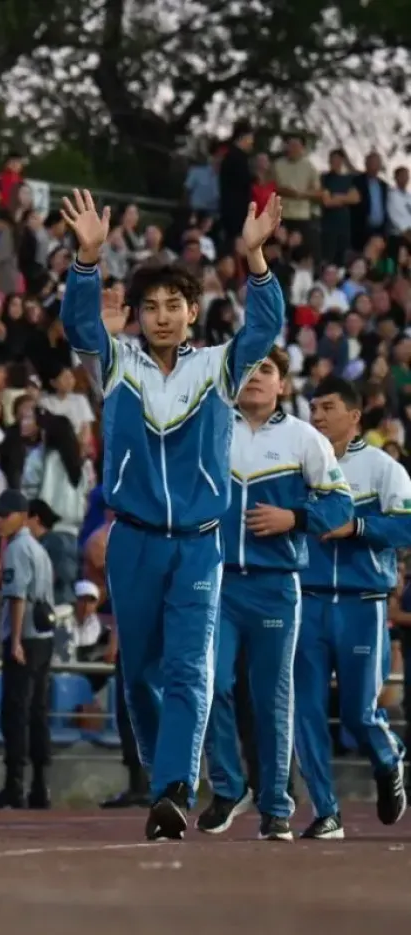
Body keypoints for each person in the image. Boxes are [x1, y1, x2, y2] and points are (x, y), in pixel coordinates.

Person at [58, 189, 284, 841]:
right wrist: (87, 258)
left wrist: (256, 256)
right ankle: (168, 773)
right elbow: (79, 327)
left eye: (173, 306)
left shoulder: (219, 367)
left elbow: (264, 328)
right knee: (140, 677)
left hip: (197, 545)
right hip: (132, 545)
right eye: (150, 307)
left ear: (191, 313)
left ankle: (174, 790)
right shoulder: (115, 365)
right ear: (135, 316)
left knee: (190, 669)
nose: (162, 316)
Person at [197, 348, 351, 841]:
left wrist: (296, 519)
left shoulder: (304, 439)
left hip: (275, 586)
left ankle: (276, 805)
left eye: (266, 370)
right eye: (248, 369)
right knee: (210, 683)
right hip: (217, 582)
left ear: (282, 384)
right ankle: (227, 786)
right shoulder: (211, 428)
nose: (255, 378)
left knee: (270, 698)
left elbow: (341, 504)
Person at [294, 376, 410, 838]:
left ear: (354, 415)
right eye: (313, 407)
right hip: (308, 601)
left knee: (362, 712)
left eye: (326, 407)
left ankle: (388, 760)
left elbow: (406, 528)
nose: (316, 415)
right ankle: (326, 812)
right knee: (305, 711)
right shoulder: (299, 465)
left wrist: (357, 526)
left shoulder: (384, 469)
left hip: (363, 604)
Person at [0, 489, 57, 809]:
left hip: (24, 637)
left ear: (21, 515)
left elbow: (17, 598)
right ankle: (40, 786)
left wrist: (13, 640)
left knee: (15, 712)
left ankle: (14, 786)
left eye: (4, 515)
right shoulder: (38, 548)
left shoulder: (16, 548)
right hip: (43, 637)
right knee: (38, 712)